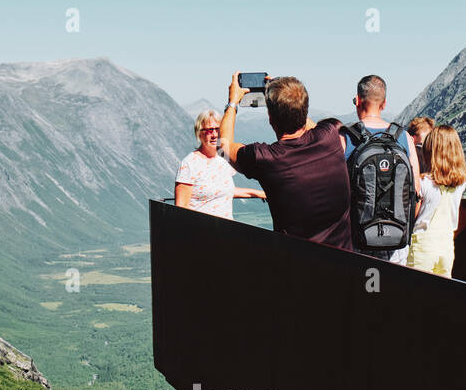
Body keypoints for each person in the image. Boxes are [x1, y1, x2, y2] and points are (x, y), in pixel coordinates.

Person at [217, 73, 352, 251]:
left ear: (270, 119)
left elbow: (222, 147)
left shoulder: (266, 158)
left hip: (297, 267)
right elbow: (310, 125)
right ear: (304, 109)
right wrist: (288, 95)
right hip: (347, 264)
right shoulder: (330, 135)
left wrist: (232, 102)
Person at [341, 74, 424, 263]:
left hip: (357, 240)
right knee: (391, 291)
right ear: (384, 104)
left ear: (358, 101)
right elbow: (416, 193)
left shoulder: (345, 137)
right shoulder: (404, 138)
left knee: (363, 291)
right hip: (396, 242)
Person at [174, 109, 265, 218]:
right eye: (209, 130)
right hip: (200, 231)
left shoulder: (223, 156)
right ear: (199, 133)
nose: (214, 135)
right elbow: (181, 208)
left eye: (217, 129)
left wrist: (258, 193)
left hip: (226, 230)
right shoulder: (189, 164)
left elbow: (222, 189)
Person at [406, 125, 466, 278]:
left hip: (423, 244)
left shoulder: (424, 183)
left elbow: (413, 215)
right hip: (447, 244)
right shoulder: (461, 183)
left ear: (431, 151)